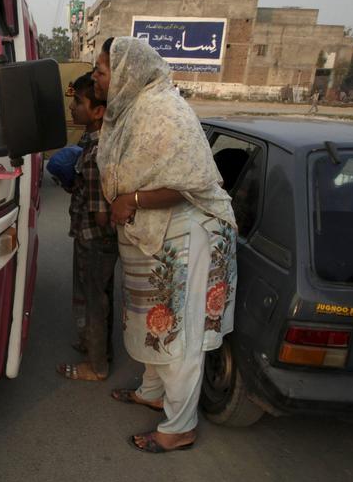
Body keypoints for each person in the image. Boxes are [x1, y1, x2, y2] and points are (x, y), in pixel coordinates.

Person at [92, 37, 237, 453]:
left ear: (124, 73)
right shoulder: (132, 110)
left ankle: (179, 427)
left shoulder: (164, 113)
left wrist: (130, 200)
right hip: (155, 233)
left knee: (180, 333)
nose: (96, 78)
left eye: (101, 71)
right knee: (152, 319)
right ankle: (153, 392)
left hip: (190, 235)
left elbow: (187, 183)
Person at [56, 73, 118, 382]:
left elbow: (102, 215)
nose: (72, 108)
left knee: (95, 300)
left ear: (98, 111)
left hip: (94, 238)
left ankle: (96, 367)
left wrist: (87, 198)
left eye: (78, 102)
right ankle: (98, 349)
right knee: (99, 296)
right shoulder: (90, 143)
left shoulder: (96, 154)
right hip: (94, 237)